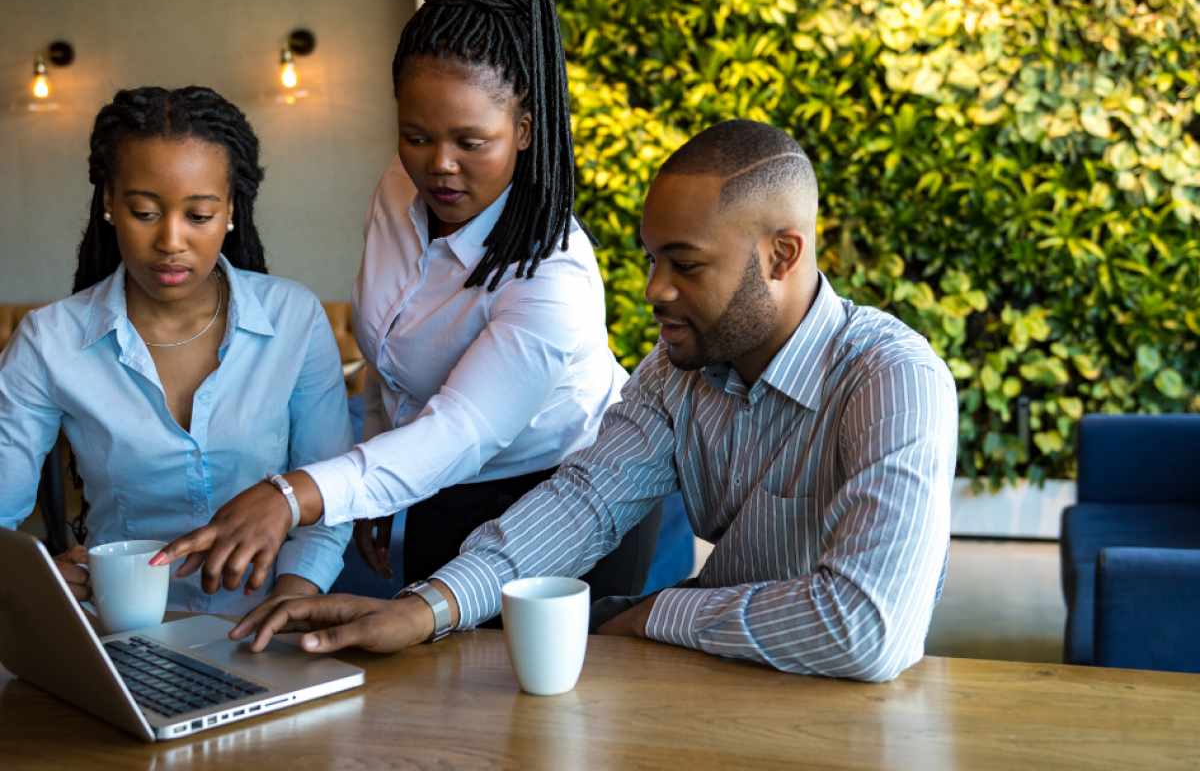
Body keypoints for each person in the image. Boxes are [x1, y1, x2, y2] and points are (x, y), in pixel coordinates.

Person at [224, 120, 960, 682]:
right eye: (650, 259)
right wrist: (422, 610)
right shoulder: (677, 374)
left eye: (685, 265)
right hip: (712, 685)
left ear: (783, 255)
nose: (654, 291)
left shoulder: (894, 380)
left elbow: (866, 627)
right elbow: (581, 504)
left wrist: (652, 613)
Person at [153, 0, 661, 610]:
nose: (439, 165)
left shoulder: (551, 273)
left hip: (568, 492)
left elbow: (459, 432)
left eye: (471, 142)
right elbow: (388, 363)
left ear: (526, 129)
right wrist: (370, 480)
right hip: (437, 482)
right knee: (439, 693)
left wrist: (295, 494)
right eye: (417, 136)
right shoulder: (401, 187)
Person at [0, 86, 353, 615]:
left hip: (265, 627)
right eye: (144, 212)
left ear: (231, 210)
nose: (170, 240)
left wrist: (287, 607)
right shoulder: (49, 342)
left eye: (199, 215)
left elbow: (327, 494)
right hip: (117, 632)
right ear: (109, 205)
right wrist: (38, 576)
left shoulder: (294, 319)